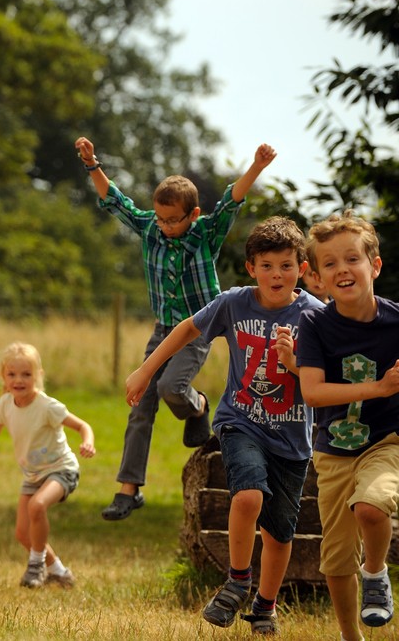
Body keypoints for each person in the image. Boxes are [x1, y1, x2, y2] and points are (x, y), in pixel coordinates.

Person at [126, 216, 324, 633]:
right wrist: (146, 372)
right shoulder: (234, 302)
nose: (277, 274)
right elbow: (185, 329)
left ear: (302, 269)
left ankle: (265, 606)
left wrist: (293, 363)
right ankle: (236, 581)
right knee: (248, 495)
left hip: (292, 436)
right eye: (267, 265)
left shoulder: (314, 316)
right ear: (251, 267)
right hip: (240, 421)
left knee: (279, 534)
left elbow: (327, 377)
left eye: (286, 265)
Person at [74, 135, 278, 521]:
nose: (166, 227)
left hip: (199, 327)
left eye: (174, 220)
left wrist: (256, 167)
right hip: (163, 327)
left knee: (171, 387)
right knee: (141, 402)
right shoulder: (150, 228)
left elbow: (231, 202)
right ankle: (128, 490)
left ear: (193, 214)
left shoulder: (204, 234)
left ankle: (198, 406)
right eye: (161, 218)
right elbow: (114, 200)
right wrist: (91, 163)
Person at [296, 211, 399, 641]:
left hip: (388, 442)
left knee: (372, 506)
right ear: (317, 279)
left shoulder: (397, 322)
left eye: (352, 259)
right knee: (336, 559)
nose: (343, 269)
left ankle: (375, 572)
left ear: (373, 266)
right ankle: (348, 637)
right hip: (333, 452)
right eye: (331, 263)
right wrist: (379, 387)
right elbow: (313, 393)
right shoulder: (314, 323)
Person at [0, 342, 94, 589]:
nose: (19, 380)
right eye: (12, 374)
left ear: (38, 376)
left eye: (26, 374)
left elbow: (82, 426)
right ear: (3, 377)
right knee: (22, 534)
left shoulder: (47, 406)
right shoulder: (5, 404)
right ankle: (58, 571)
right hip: (33, 475)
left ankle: (36, 566)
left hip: (61, 469)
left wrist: (87, 442)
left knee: (37, 506)